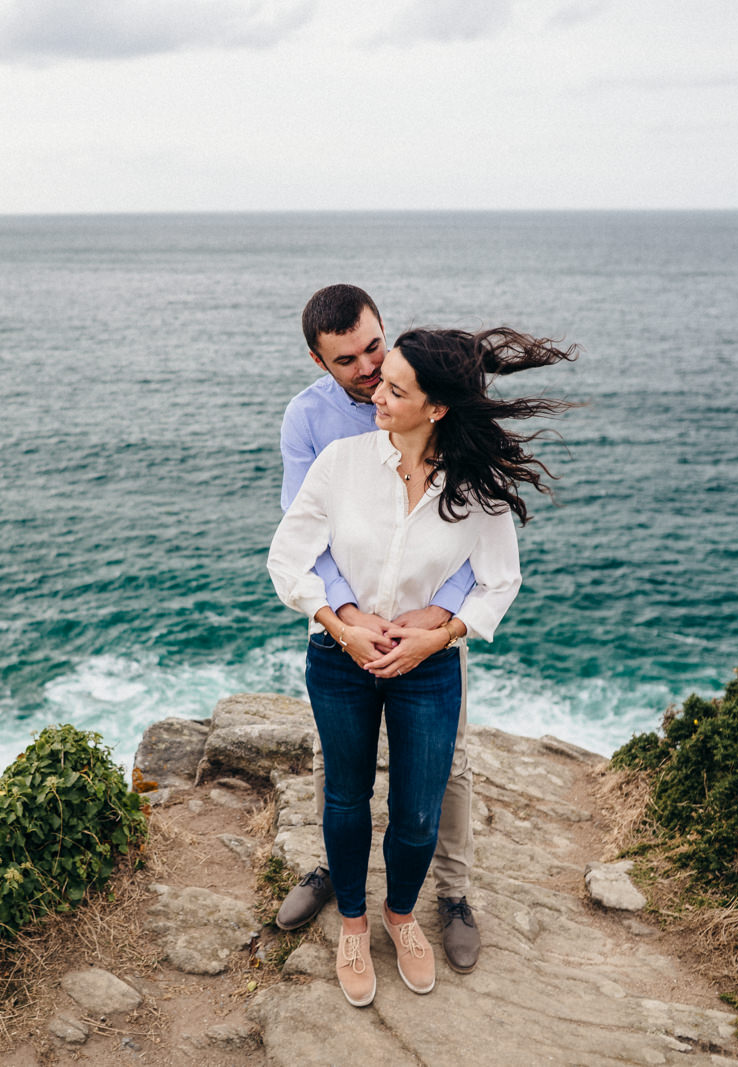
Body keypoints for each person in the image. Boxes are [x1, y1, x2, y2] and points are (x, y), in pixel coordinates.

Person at [268, 320, 575, 1006]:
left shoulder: (476, 485)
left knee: (415, 812)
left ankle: (401, 916)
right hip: (338, 659)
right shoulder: (341, 462)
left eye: (395, 387)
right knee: (345, 799)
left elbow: (500, 581)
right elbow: (287, 559)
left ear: (435, 407)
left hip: (432, 668)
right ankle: (352, 922)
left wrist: (439, 635)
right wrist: (338, 623)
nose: (377, 391)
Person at [275, 285, 483, 977]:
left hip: (426, 634)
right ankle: (338, 873)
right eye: (349, 360)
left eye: (374, 346)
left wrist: (437, 620)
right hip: (343, 628)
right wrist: (348, 618)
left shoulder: (424, 390)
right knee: (340, 770)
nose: (369, 369)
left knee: (439, 773)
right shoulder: (308, 422)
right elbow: (301, 533)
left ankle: (449, 894)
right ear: (318, 359)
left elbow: (468, 522)